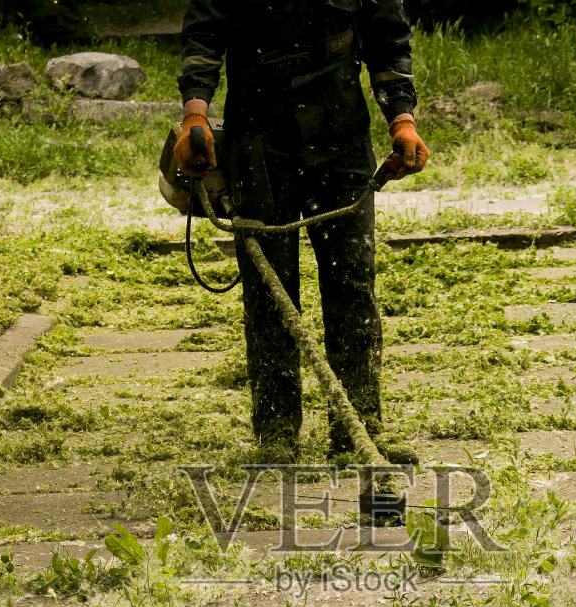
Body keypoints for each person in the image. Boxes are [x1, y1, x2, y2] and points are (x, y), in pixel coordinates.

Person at [174, 0, 429, 465]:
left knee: (352, 283)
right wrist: (196, 115)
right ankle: (275, 433)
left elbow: (388, 41)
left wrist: (403, 121)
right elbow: (204, 37)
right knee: (270, 291)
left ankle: (358, 432)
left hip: (341, 138)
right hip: (259, 137)